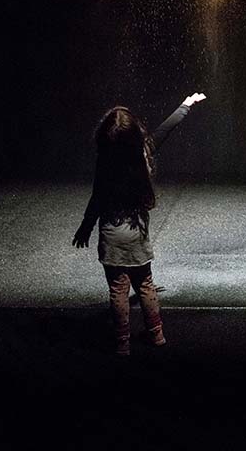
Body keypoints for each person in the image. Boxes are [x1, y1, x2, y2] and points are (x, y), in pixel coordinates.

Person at [72, 92, 206, 355]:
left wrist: (85, 228)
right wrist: (185, 105)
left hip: (112, 240)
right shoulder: (143, 154)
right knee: (145, 285)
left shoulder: (106, 164)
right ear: (135, 135)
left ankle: (123, 343)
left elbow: (97, 199)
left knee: (118, 289)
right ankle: (157, 335)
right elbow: (164, 130)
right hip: (138, 237)